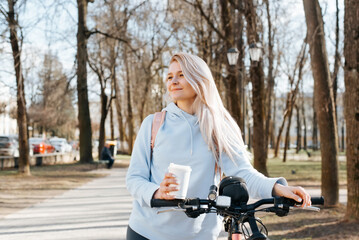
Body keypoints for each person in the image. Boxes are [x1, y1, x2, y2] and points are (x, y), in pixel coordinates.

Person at [126, 53, 311, 240]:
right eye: (169, 76)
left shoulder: (218, 127)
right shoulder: (153, 124)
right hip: (146, 232)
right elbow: (134, 178)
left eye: (181, 75)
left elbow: (243, 172)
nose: (173, 80)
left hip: (199, 235)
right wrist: (158, 192)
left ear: (199, 78)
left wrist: (278, 188)